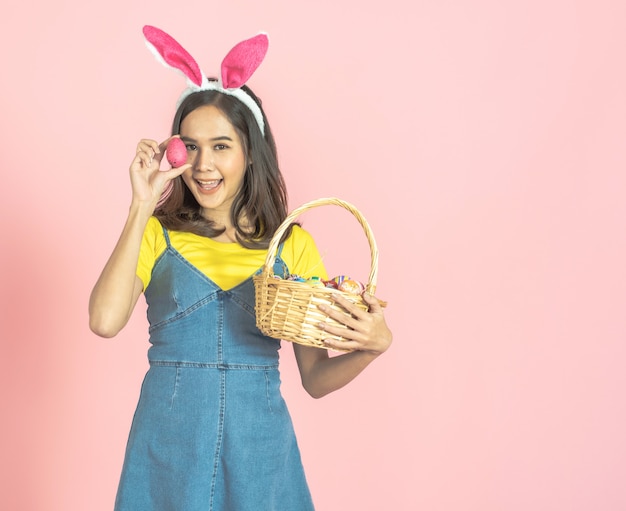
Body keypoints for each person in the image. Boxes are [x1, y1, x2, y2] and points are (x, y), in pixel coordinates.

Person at [89, 26, 392, 511]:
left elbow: (314, 379)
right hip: (169, 449)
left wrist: (373, 348)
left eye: (222, 146)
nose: (203, 164)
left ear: (251, 152)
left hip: (260, 451)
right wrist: (140, 205)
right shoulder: (155, 234)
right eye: (190, 146)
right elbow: (104, 322)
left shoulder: (291, 246)